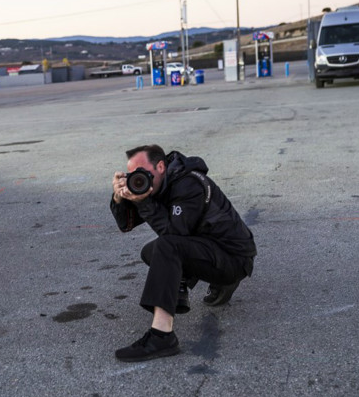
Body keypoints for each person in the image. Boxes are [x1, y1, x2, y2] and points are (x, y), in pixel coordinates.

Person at [110, 145, 256, 362]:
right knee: (151, 252)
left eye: (142, 171)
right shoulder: (158, 183)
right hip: (210, 250)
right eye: (133, 174)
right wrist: (119, 198)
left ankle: (162, 336)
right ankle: (186, 289)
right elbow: (125, 224)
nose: (138, 178)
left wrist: (144, 202)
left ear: (160, 166)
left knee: (166, 247)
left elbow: (175, 235)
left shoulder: (189, 184)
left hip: (234, 258)